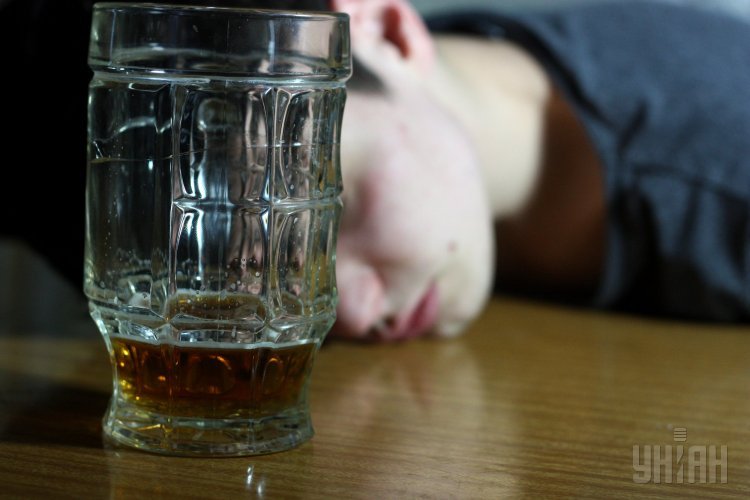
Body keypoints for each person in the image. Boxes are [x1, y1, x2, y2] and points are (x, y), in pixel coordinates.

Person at [2, 0, 749, 340]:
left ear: (386, 29)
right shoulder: (422, 78)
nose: (350, 314)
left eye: (324, 209)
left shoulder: (722, 183)